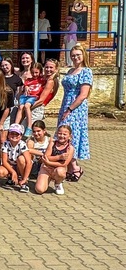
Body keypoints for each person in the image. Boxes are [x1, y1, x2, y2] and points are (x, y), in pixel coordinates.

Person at [57, 43, 92, 176]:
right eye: (73, 55)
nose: (75, 57)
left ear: (83, 55)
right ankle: (71, 167)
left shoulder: (86, 71)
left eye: (78, 55)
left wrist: (70, 109)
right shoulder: (70, 71)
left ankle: (75, 168)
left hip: (76, 108)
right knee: (64, 133)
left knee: (70, 135)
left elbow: (83, 95)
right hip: (65, 104)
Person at [35, 125, 75, 196]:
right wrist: (59, 157)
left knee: (60, 171)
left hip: (58, 169)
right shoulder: (52, 143)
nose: (61, 136)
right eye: (59, 133)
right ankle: (46, 178)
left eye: (64, 134)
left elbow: (64, 164)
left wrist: (48, 162)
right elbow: (46, 157)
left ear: (70, 136)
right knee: (39, 190)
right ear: (56, 134)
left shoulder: (70, 148)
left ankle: (58, 183)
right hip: (46, 168)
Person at [0, 123, 33, 193]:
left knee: (21, 159)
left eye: (17, 134)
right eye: (12, 133)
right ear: (8, 135)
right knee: (0, 172)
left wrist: (25, 178)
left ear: (21, 136)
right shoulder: (5, 144)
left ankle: (24, 182)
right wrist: (13, 172)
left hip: (21, 166)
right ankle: (11, 178)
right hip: (11, 165)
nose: (14, 136)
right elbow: (4, 161)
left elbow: (29, 162)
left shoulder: (22, 144)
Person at [14, 62, 45, 134]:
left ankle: (29, 126)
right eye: (32, 72)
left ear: (40, 72)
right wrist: (26, 87)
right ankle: (16, 125)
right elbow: (25, 85)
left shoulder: (42, 80)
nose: (34, 74)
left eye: (36, 72)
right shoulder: (28, 80)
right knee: (20, 107)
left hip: (33, 96)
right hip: (25, 96)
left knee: (27, 105)